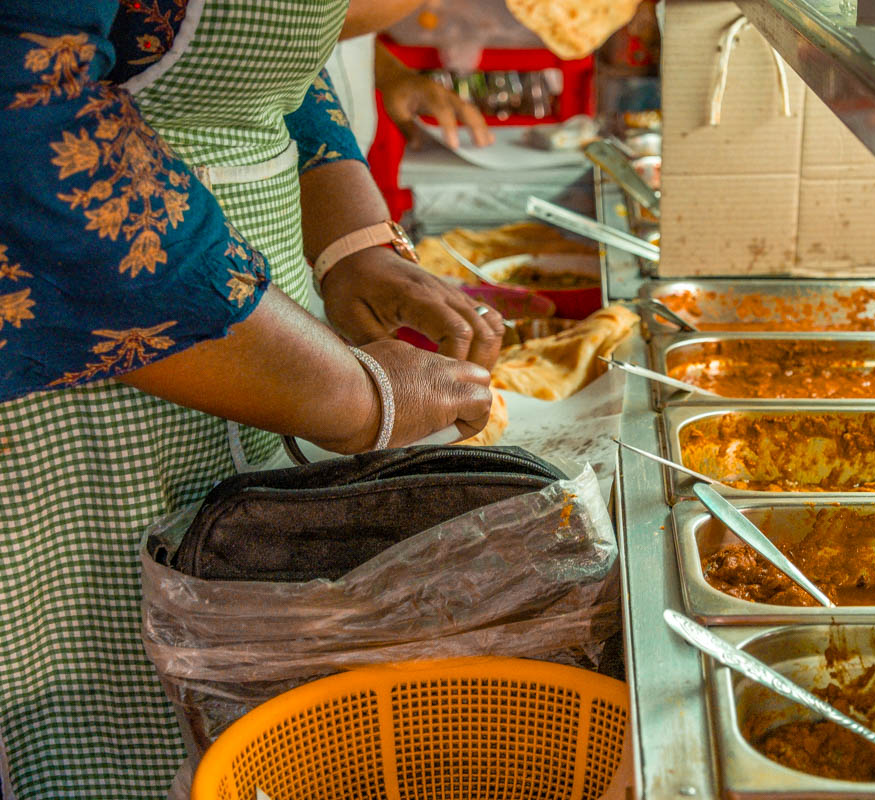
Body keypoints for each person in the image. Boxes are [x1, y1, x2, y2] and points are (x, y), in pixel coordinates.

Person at [0, 1, 505, 796]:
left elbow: (276, 71)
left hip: (268, 341)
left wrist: (352, 241)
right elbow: (30, 130)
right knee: (107, 721)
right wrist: (349, 394)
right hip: (70, 395)